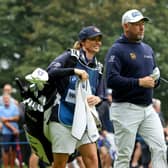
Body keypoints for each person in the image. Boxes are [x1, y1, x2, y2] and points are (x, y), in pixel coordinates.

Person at [105, 9, 167, 168]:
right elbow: (111, 80)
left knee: (160, 147)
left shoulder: (147, 49)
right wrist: (139, 82)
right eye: (137, 24)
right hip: (125, 109)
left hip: (147, 109)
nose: (142, 28)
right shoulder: (117, 49)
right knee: (124, 155)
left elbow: (151, 81)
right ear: (126, 26)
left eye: (143, 24)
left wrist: (156, 80)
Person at [46, 25, 104, 168]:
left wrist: (98, 99)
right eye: (93, 39)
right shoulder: (71, 56)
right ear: (83, 42)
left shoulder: (99, 67)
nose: (98, 42)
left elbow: (101, 93)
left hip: (84, 120)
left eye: (99, 39)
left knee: (93, 161)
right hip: (62, 118)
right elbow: (50, 71)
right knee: (60, 164)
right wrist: (74, 71)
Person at [0, 94, 20, 168]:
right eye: (4, 99)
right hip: (6, 133)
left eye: (7, 99)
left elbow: (17, 118)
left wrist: (7, 119)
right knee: (6, 150)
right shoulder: (0, 108)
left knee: (14, 150)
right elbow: (3, 120)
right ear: (2, 100)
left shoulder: (14, 107)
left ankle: (12, 166)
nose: (6, 100)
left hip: (15, 133)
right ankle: (5, 166)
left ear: (10, 100)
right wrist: (13, 128)